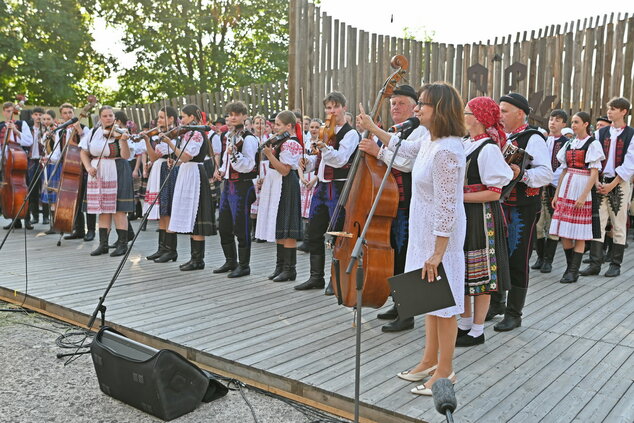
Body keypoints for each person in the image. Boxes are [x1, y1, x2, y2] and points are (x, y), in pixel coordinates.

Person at [389, 82, 465, 395]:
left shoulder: (447, 149)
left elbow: (447, 205)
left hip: (440, 237)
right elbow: (402, 153)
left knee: (444, 304)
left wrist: (438, 252)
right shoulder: (430, 141)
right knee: (430, 299)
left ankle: (446, 370)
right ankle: (428, 359)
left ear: (442, 110)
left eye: (423, 104)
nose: (417, 109)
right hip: (424, 230)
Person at [354, 84, 428, 332]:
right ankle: (399, 305)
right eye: (393, 103)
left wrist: (378, 151)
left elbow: (407, 164)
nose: (395, 107)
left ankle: (407, 314)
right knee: (396, 254)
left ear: (414, 107)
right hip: (393, 201)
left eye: (401, 103)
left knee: (407, 255)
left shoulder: (420, 131)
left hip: (409, 201)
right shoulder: (396, 131)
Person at [486, 93, 552, 332]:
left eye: (504, 111)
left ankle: (514, 313)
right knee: (495, 256)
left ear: (520, 113)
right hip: (497, 205)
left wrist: (521, 175)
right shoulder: (498, 137)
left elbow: (546, 174)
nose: (499, 115)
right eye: (499, 110)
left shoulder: (533, 138)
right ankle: (496, 304)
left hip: (521, 210)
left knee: (516, 258)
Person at [456, 97, 513, 347]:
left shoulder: (488, 149)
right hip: (466, 215)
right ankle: (464, 324)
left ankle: (477, 330)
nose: (463, 115)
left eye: (466, 112)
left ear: (478, 118)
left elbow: (495, 192)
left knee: (481, 276)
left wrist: (459, 196)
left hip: (482, 217)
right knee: (465, 272)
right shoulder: (466, 143)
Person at [294, 91, 360, 293]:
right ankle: (316, 277)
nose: (331, 111)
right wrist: (307, 163)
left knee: (337, 235)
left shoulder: (350, 134)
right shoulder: (324, 131)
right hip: (321, 187)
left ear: (344, 108)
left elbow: (340, 159)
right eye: (329, 108)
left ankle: (336, 279)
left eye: (335, 107)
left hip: (339, 187)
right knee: (313, 233)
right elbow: (320, 161)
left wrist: (323, 148)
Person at [580, 97, 634, 278]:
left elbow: (629, 164)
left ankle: (615, 264)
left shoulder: (631, 134)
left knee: (618, 224)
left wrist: (612, 184)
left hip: (619, 183)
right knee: (598, 223)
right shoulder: (600, 134)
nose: (609, 112)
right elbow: (594, 159)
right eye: (609, 109)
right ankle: (595, 263)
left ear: (624, 112)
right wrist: (596, 182)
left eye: (614, 109)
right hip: (601, 181)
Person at [550, 112, 604, 283]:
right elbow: (564, 170)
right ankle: (569, 267)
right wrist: (557, 193)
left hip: (582, 185)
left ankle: (573, 271)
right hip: (567, 185)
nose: (573, 125)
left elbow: (594, 172)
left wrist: (584, 195)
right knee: (565, 232)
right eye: (572, 122)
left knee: (579, 233)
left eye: (576, 122)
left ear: (586, 124)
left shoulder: (593, 144)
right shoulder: (570, 144)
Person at [163, 104, 215, 271]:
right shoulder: (189, 134)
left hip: (195, 175)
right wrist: (175, 162)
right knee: (191, 214)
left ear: (192, 117)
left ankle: (198, 259)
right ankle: (194, 258)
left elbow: (187, 156)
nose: (181, 120)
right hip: (187, 172)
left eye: (184, 116)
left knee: (197, 213)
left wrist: (170, 144)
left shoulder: (197, 134)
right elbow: (183, 159)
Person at [213, 101, 259, 278]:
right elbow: (227, 162)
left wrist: (235, 154)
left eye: (237, 114)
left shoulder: (248, 138)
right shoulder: (229, 136)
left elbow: (248, 165)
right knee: (223, 225)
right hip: (229, 185)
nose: (233, 117)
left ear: (245, 116)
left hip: (242, 185)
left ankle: (244, 265)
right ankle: (230, 261)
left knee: (241, 226)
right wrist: (222, 171)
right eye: (231, 114)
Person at [79, 106, 132, 257]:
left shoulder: (121, 132)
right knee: (101, 208)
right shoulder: (94, 132)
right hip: (97, 171)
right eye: (105, 116)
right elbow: (83, 151)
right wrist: (88, 166)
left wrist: (123, 141)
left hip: (117, 169)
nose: (108, 118)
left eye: (111, 116)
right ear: (100, 118)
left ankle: (122, 245)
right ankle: (103, 245)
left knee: (118, 208)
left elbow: (126, 155)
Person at [259, 111, 304, 281]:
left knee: (287, 227)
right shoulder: (281, 141)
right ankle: (280, 266)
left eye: (278, 124)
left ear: (289, 126)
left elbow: (285, 170)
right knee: (279, 224)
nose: (275, 127)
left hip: (286, 185)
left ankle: (289, 269)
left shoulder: (292, 143)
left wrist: (270, 155)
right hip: (277, 184)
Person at [532, 110, 569, 273]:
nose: (553, 122)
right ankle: (540, 257)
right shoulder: (543, 141)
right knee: (539, 225)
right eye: (551, 119)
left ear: (564, 124)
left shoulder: (566, 143)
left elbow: (563, 167)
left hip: (555, 188)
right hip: (540, 188)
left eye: (557, 120)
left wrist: (549, 179)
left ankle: (548, 260)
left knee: (554, 225)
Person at [141, 106, 178, 262]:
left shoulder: (176, 135)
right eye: (158, 117)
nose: (158, 120)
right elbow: (154, 157)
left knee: (167, 209)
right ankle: (162, 248)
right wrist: (147, 141)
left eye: (162, 117)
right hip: (158, 169)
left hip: (168, 171)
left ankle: (171, 250)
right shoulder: (159, 136)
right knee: (162, 211)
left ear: (171, 119)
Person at [57, 103, 96, 242]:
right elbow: (59, 151)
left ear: (74, 113)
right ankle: (78, 229)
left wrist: (80, 132)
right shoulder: (61, 131)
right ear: (61, 115)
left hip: (84, 170)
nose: (68, 115)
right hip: (68, 170)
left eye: (70, 112)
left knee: (88, 200)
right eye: (65, 113)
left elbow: (89, 146)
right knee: (75, 200)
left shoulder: (85, 129)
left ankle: (91, 230)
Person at [1, 101, 34, 230]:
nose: (9, 113)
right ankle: (14, 218)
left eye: (11, 111)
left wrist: (15, 130)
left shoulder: (21, 124)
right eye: (7, 111)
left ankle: (26, 219)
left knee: (24, 190)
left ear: (14, 112)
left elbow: (28, 141)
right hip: (5, 163)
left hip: (19, 161)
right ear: (4, 112)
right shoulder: (0, 126)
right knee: (8, 191)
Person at [297, 118, 320, 253]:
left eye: (317, 127)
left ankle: (311, 240)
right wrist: (301, 177)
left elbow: (323, 165)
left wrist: (314, 180)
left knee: (312, 211)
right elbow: (299, 163)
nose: (313, 130)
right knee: (304, 211)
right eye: (312, 127)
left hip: (315, 179)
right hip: (305, 179)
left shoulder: (322, 144)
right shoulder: (305, 143)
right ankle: (306, 239)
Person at [27, 107, 45, 225]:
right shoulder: (28, 129)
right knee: (32, 189)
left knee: (44, 188)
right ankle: (35, 216)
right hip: (31, 161)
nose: (38, 117)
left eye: (40, 115)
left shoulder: (46, 129)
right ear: (32, 116)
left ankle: (47, 216)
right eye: (36, 114)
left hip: (43, 160)